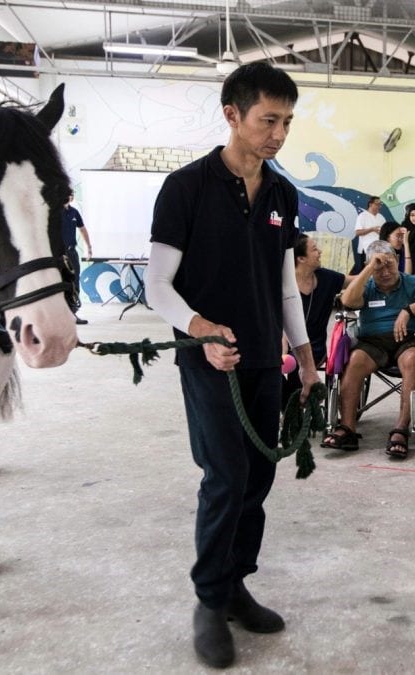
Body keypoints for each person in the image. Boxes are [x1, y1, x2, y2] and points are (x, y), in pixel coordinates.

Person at [147, 62, 318, 669]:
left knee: (258, 477)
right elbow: (157, 287)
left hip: (264, 363)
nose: (278, 133)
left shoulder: (281, 194)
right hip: (208, 359)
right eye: (268, 119)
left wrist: (303, 353)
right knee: (224, 475)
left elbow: (285, 285)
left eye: (287, 122)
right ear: (232, 115)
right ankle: (209, 599)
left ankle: (237, 582)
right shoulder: (185, 188)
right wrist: (200, 330)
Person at [320, 241, 415, 458]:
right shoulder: (367, 285)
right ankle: (347, 428)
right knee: (354, 361)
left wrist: (408, 311)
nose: (386, 272)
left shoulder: (411, 283)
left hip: (408, 340)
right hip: (373, 342)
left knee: (413, 361)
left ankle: (401, 430)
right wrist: (369, 269)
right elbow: (348, 301)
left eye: (389, 265)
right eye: (379, 267)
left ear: (397, 261)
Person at [281, 234, 351, 405]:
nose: (319, 251)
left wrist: (372, 268)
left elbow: (353, 282)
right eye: (314, 249)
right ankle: (286, 408)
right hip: (281, 344)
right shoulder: (280, 281)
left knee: (296, 368)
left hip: (313, 347)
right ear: (301, 258)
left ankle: (295, 410)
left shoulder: (326, 277)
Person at [62, 189, 93, 324]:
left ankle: (73, 314)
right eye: (67, 194)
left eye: (71, 195)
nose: (69, 197)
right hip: (58, 254)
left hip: (72, 252)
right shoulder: (54, 212)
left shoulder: (74, 212)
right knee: (59, 283)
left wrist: (89, 247)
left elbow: (82, 229)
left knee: (74, 283)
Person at [353, 195, 385, 273]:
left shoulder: (381, 217)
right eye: (377, 204)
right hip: (366, 249)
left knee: (378, 271)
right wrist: (372, 229)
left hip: (379, 249)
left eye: (380, 204)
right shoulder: (362, 216)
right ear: (370, 204)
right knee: (366, 272)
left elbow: (385, 231)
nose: (379, 206)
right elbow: (357, 232)